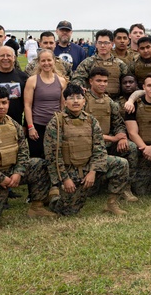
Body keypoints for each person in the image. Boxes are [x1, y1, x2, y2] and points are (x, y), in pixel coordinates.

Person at [43, 83, 136, 215]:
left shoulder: (91, 120)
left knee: (121, 164)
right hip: (70, 171)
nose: (75, 101)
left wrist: (93, 171)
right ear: (65, 102)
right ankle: (54, 196)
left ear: (84, 101)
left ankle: (111, 204)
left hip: (89, 166)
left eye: (79, 97)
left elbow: (99, 149)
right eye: (71, 98)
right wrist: (65, 179)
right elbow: (52, 156)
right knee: (68, 211)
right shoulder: (56, 123)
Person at [0, 86, 56, 220]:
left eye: (4, 102)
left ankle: (37, 207)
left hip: (12, 171)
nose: (1, 106)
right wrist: (1, 179)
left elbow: (23, 151)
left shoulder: (13, 124)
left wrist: (18, 173)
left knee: (40, 165)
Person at [23, 49, 66, 159]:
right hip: (37, 126)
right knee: (37, 158)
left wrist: (63, 125)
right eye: (43, 61)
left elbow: (63, 106)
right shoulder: (32, 81)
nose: (46, 63)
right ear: (39, 62)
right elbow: (27, 105)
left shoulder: (61, 81)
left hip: (55, 126)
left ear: (54, 61)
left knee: (55, 157)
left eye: (49, 60)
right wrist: (30, 127)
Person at [83, 67, 134, 158]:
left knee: (131, 147)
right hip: (89, 141)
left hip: (108, 143)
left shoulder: (109, 101)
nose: (102, 84)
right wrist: (113, 138)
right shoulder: (83, 100)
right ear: (91, 81)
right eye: (99, 81)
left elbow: (118, 123)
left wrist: (122, 137)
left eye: (105, 81)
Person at [71, 29, 131, 99]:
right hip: (93, 100)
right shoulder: (88, 63)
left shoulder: (120, 64)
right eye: (100, 43)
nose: (102, 46)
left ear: (112, 44)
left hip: (116, 100)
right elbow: (77, 78)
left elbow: (128, 80)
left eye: (106, 43)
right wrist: (79, 86)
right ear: (96, 44)